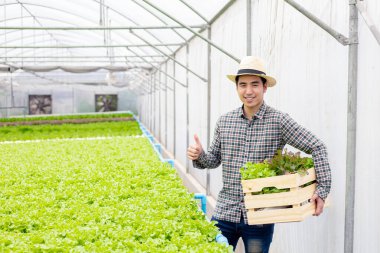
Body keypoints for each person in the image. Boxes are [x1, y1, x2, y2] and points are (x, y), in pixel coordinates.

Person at [187, 56, 331, 253]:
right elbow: (213, 159)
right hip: (224, 212)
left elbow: (317, 147)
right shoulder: (225, 122)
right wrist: (199, 154)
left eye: (255, 85)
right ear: (237, 88)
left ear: (265, 87)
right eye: (243, 85)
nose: (248, 91)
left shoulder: (279, 121)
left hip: (260, 216)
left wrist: (322, 189)